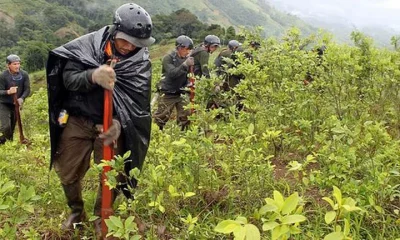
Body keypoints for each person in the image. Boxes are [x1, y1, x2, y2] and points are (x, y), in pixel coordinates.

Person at [46, 3, 154, 235]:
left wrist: (119, 123)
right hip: (78, 119)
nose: (129, 47)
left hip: (111, 125)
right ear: (115, 31)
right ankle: (76, 210)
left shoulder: (140, 62)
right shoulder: (86, 47)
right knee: (67, 170)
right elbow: (68, 79)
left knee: (113, 173)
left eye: (136, 43)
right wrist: (92, 75)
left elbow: (137, 105)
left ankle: (101, 214)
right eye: (125, 40)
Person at [153, 35, 194, 131]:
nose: (188, 52)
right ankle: (156, 134)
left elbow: (189, 75)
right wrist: (185, 65)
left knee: (186, 115)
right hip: (168, 92)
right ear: (179, 48)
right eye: (186, 49)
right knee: (162, 116)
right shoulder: (168, 58)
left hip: (181, 92)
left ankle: (183, 135)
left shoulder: (187, 59)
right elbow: (172, 74)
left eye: (189, 50)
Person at [0, 54, 30, 144]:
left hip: (16, 104)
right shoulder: (3, 76)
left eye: (18, 64)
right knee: (6, 127)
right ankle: (2, 143)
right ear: (8, 65)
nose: (17, 66)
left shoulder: (24, 74)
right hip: (4, 104)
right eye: (14, 64)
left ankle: (9, 146)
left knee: (12, 128)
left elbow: (27, 89)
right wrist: (8, 92)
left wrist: (22, 98)